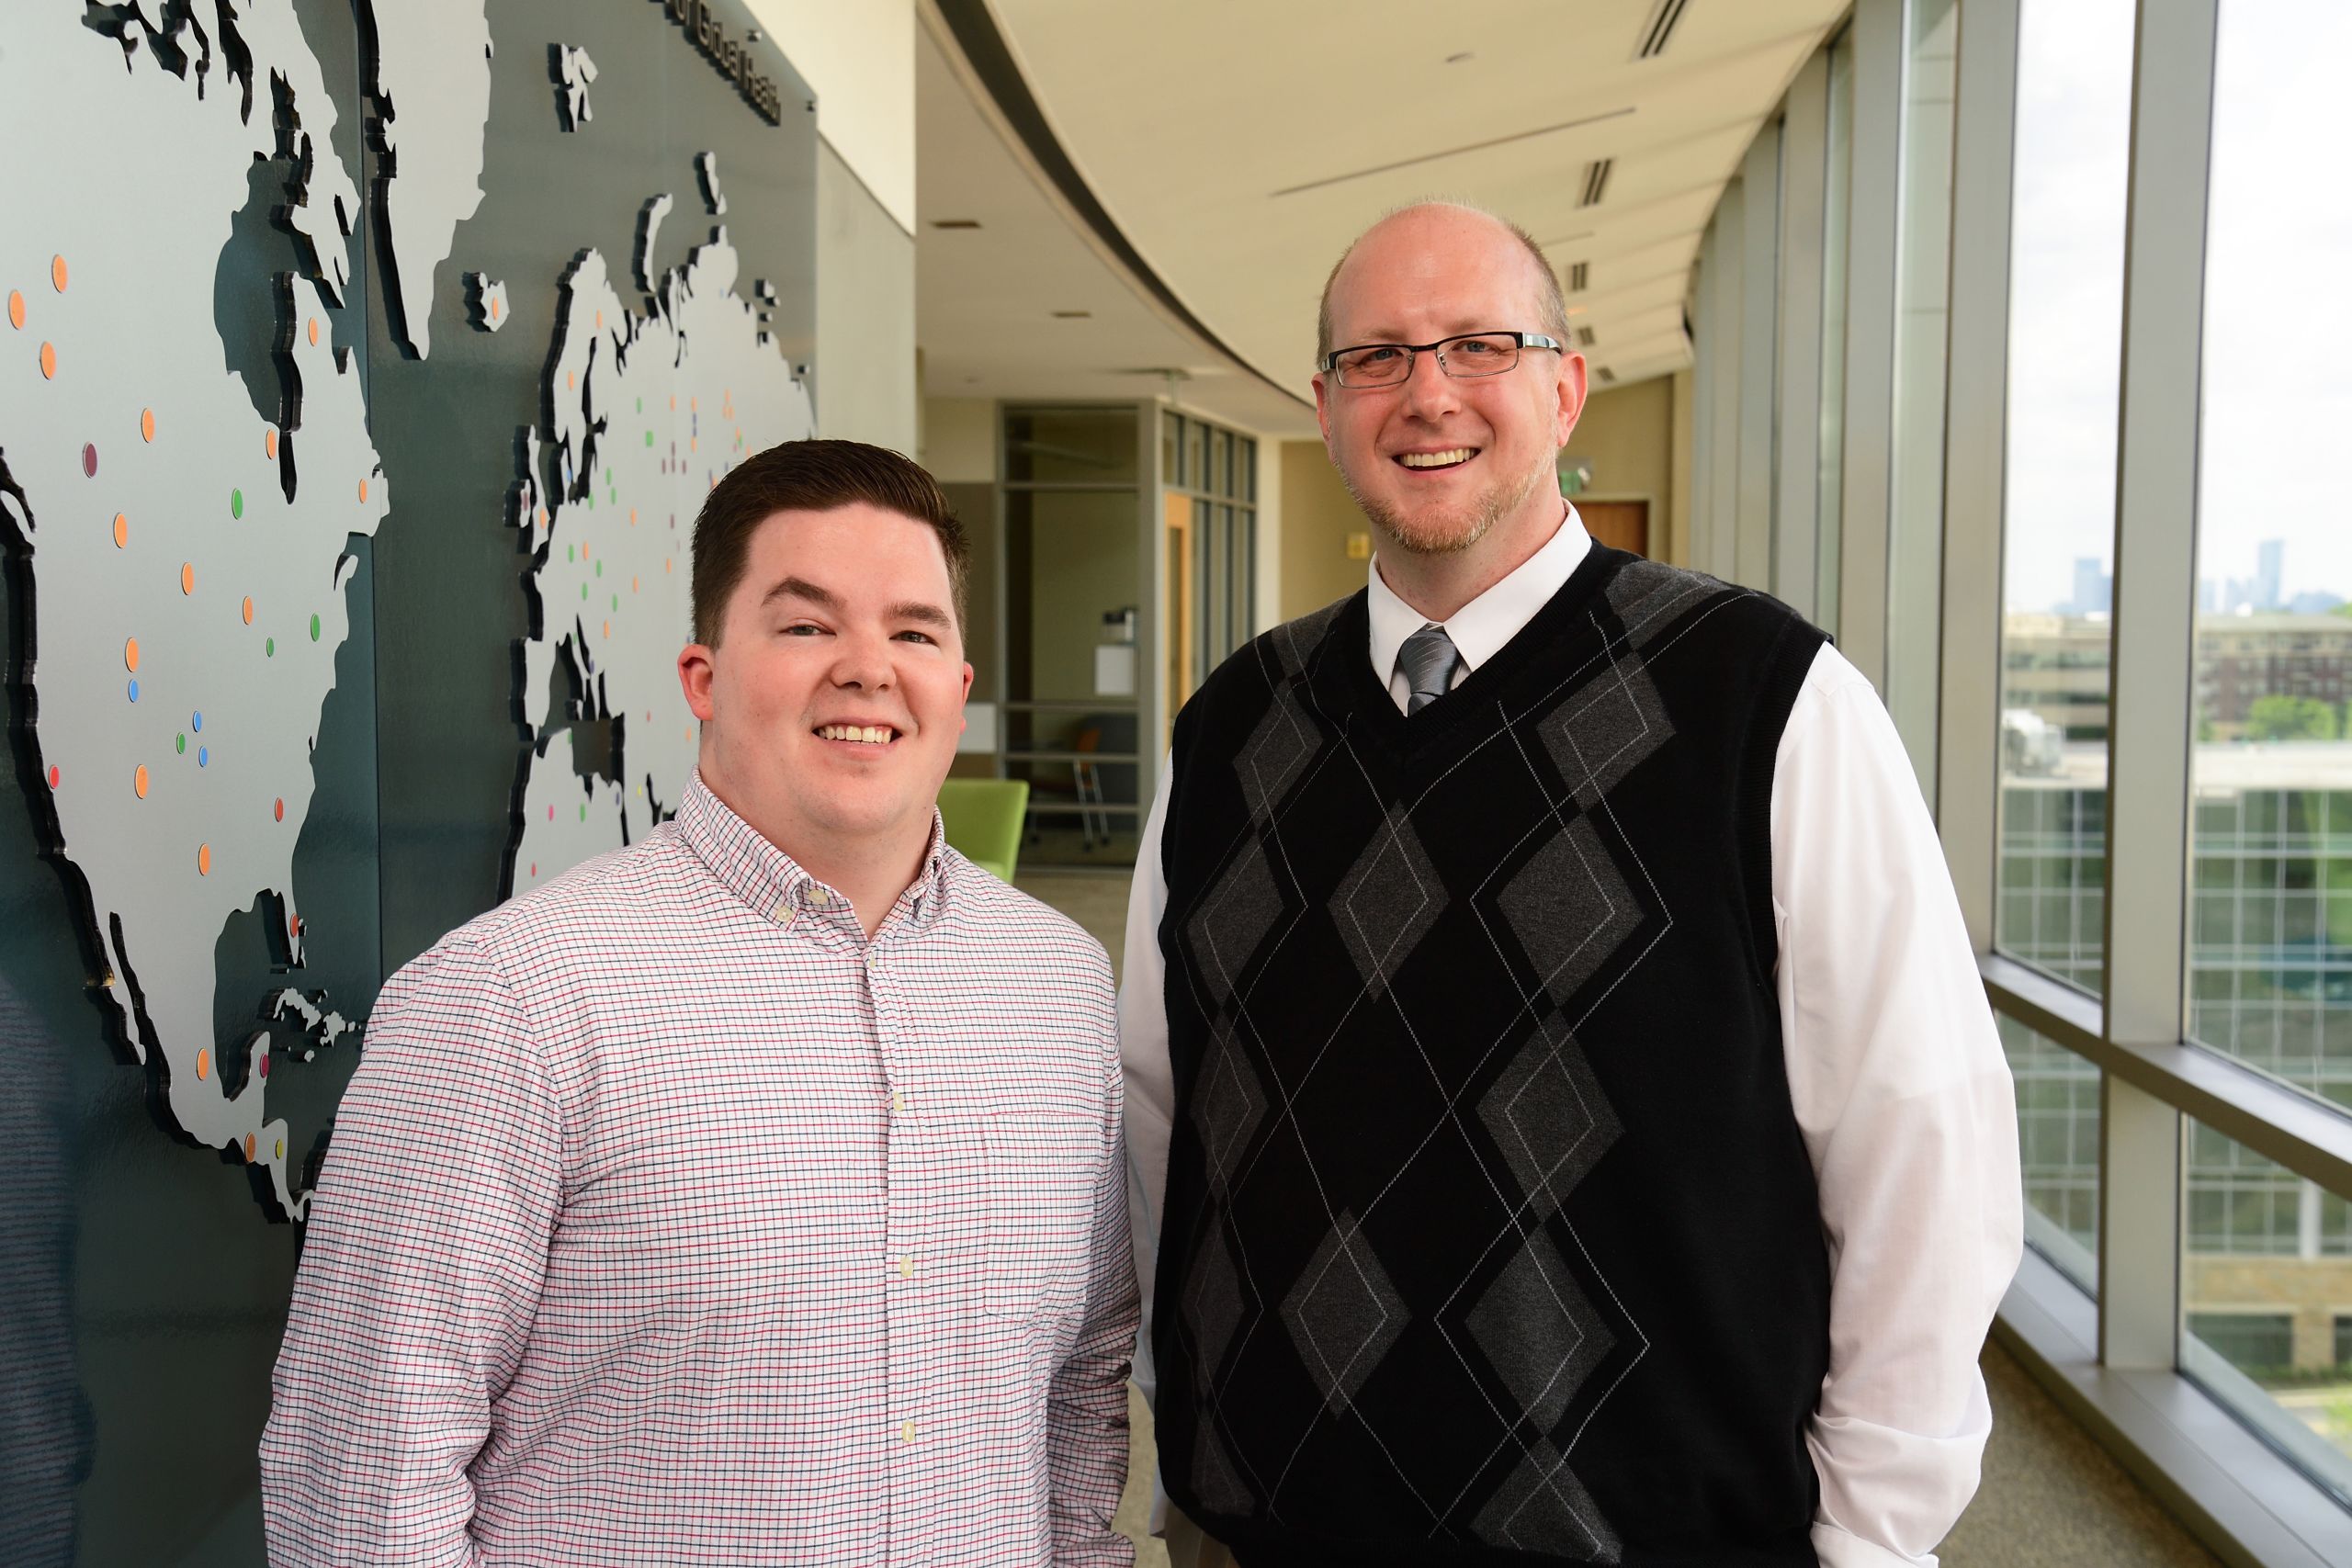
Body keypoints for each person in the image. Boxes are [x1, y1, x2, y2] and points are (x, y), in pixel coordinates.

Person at [1120, 203, 2021, 1567]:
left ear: (1564, 383)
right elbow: (1159, 1106)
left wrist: (1872, 1537)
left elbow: (1919, 1142)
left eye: (1481, 344)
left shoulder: (1766, 701)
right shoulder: (1231, 727)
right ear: (1324, 402)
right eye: (1377, 356)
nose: (1427, 392)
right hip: (1267, 1528)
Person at [262, 440, 1139, 1565]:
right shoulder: (513, 997)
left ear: (957, 690)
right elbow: (365, 1468)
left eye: (913, 631)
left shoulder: (1055, 985)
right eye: (807, 624)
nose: (868, 669)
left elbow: (1079, 1387)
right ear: (704, 676)